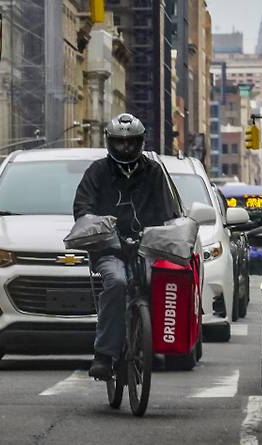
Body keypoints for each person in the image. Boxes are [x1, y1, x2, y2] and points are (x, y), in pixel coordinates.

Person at [73, 113, 179, 380]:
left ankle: (149, 344)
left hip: (147, 246)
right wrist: (102, 228)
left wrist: (171, 231)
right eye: (119, 143)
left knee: (161, 281)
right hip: (109, 248)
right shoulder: (97, 171)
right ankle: (104, 354)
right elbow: (82, 209)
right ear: (109, 142)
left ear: (140, 142)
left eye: (131, 142)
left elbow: (169, 212)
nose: (125, 148)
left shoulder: (154, 172)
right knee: (117, 282)